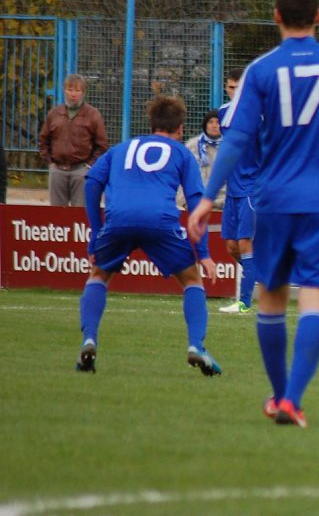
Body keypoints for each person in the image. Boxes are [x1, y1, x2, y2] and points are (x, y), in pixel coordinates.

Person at [188, 0, 319, 427]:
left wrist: (205, 200)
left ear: (276, 16)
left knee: (271, 298)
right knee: (316, 297)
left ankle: (279, 394)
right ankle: (292, 400)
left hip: (273, 201)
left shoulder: (260, 71)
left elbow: (236, 139)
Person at [75, 96, 221, 376]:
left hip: (118, 220)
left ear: (151, 124)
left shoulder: (121, 148)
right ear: (179, 129)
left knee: (98, 275)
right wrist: (203, 253)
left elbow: (93, 182)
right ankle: (196, 346)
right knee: (191, 279)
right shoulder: (182, 153)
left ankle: (89, 339)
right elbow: (195, 199)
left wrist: (96, 233)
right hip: (161, 221)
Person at [217, 68, 261, 315]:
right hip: (233, 188)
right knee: (231, 246)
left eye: (238, 87)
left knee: (245, 243)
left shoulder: (260, 115)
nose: (234, 91)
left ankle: (244, 302)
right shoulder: (223, 114)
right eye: (230, 87)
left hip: (252, 188)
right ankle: (259, 273)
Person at [38, 73, 109, 206]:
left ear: (83, 92)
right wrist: (50, 163)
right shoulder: (54, 114)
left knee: (81, 214)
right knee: (56, 216)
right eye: (70, 90)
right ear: (64, 90)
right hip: (57, 170)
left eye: (77, 90)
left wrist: (89, 166)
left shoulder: (93, 115)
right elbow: (43, 140)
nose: (73, 94)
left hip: (81, 171)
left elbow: (102, 145)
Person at [182, 109, 226, 209]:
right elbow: (183, 173)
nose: (214, 125)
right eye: (210, 122)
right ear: (205, 125)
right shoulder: (192, 145)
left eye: (218, 122)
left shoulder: (229, 147)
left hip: (223, 200)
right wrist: (183, 201)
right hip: (196, 199)